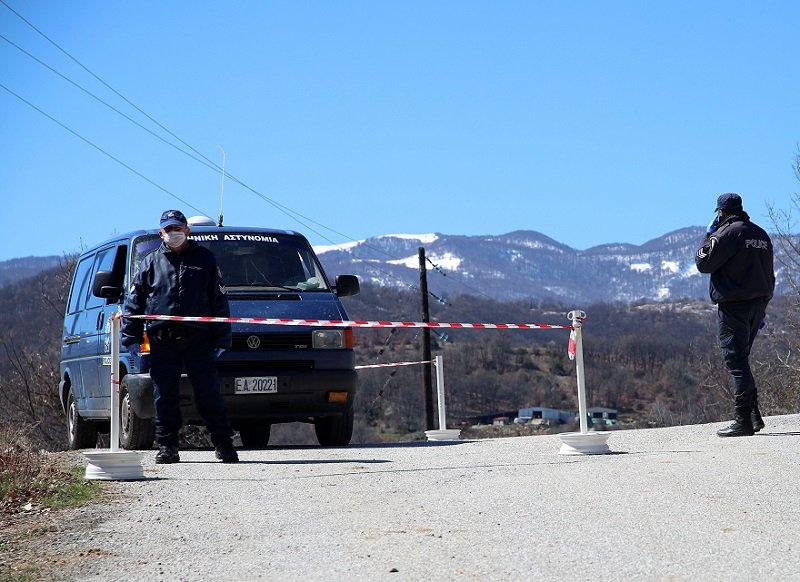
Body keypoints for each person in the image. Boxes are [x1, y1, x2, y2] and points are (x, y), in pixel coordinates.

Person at [122, 210, 239, 463]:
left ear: (187, 230)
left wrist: (221, 339)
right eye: (167, 229)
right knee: (164, 396)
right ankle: (167, 447)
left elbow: (219, 301)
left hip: (199, 339)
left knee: (209, 393)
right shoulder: (150, 263)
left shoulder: (205, 259)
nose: (172, 233)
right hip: (162, 339)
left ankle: (224, 444)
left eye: (177, 228)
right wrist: (130, 337)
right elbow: (134, 302)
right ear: (160, 233)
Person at [695, 193, 775, 437]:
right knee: (742, 358)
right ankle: (753, 415)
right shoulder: (760, 234)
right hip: (758, 303)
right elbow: (769, 271)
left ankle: (742, 421)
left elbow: (703, 263)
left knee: (735, 361)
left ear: (720, 212)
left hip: (734, 304)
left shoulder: (727, 233)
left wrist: (708, 236)